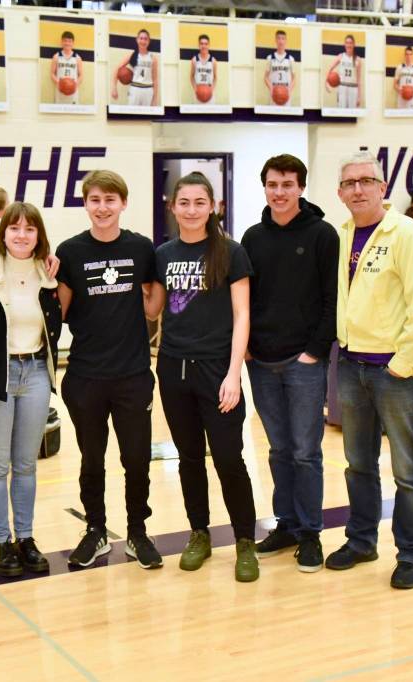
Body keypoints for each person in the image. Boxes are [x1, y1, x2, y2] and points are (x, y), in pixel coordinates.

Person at [327, 150, 413, 590]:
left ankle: (412, 554)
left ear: (382, 187)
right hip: (352, 365)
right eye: (349, 183)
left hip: (394, 375)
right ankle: (361, 540)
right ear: (340, 193)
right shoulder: (340, 236)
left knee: (408, 470)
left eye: (365, 181)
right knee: (358, 464)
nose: (357, 189)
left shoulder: (408, 235)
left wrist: (403, 365)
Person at [145, 172, 258, 582]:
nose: (191, 210)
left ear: (213, 206)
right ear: (172, 207)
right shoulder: (163, 254)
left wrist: (234, 374)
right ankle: (199, 534)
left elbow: (243, 314)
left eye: (199, 202)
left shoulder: (231, 252)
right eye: (184, 202)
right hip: (174, 369)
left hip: (217, 370)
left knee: (229, 458)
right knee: (189, 459)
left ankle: (245, 541)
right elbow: (154, 309)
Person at [56, 170, 162, 570]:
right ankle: (96, 530)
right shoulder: (70, 252)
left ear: (123, 204)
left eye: (110, 200)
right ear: (86, 204)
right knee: (91, 459)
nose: (102, 207)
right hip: (85, 375)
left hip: (133, 373)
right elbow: (61, 312)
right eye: (95, 200)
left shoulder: (141, 248)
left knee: (136, 459)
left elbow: (152, 308)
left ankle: (138, 532)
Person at [242, 155, 338, 573]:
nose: (279, 192)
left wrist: (314, 351)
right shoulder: (252, 237)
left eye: (287, 184)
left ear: (301, 188)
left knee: (305, 452)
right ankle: (288, 523)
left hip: (304, 362)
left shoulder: (322, 235)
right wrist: (245, 346)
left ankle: (311, 533)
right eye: (272, 184)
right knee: (279, 450)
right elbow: (243, 298)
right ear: (264, 187)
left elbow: (333, 299)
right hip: (261, 362)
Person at [0, 202, 61, 577]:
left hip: (36, 371)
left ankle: (25, 538)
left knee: (26, 464)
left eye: (29, 229)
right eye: (14, 228)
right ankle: (2, 541)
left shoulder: (49, 272)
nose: (21, 235)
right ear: (2, 233)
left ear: (38, 235)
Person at [112, 29, 159, 107]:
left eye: (145, 39)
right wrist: (114, 88)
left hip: (148, 90)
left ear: (149, 41)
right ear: (137, 40)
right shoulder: (132, 55)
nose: (143, 41)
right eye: (141, 38)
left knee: (145, 117)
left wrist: (155, 99)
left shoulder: (153, 58)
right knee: (132, 116)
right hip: (135, 89)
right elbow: (117, 69)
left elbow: (155, 79)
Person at [326, 35, 362, 108]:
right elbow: (329, 70)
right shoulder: (341, 56)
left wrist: (359, 96)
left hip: (353, 88)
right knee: (341, 113)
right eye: (347, 43)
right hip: (342, 87)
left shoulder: (358, 59)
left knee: (352, 114)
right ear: (344, 44)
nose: (349, 45)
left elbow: (359, 80)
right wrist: (326, 83)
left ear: (354, 44)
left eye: (350, 43)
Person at [263, 30, 296, 105]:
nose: (281, 41)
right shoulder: (270, 58)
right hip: (274, 95)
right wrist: (271, 89)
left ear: (286, 41)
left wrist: (288, 91)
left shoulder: (290, 59)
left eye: (283, 38)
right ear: (275, 40)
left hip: (286, 95)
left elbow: (294, 78)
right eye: (279, 38)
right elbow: (265, 77)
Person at [51, 31, 83, 105]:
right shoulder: (56, 56)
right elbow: (52, 74)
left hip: (73, 92)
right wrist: (60, 83)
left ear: (73, 43)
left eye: (69, 41)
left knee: (73, 114)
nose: (67, 43)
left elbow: (81, 75)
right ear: (62, 42)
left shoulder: (77, 58)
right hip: (60, 91)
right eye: (65, 41)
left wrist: (74, 85)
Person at [190, 34, 217, 102]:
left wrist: (211, 90)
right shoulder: (194, 59)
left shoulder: (213, 60)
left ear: (209, 45)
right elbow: (191, 76)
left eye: (206, 44)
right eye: (201, 43)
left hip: (209, 92)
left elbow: (215, 77)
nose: (203, 46)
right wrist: (195, 89)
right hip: (198, 91)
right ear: (199, 45)